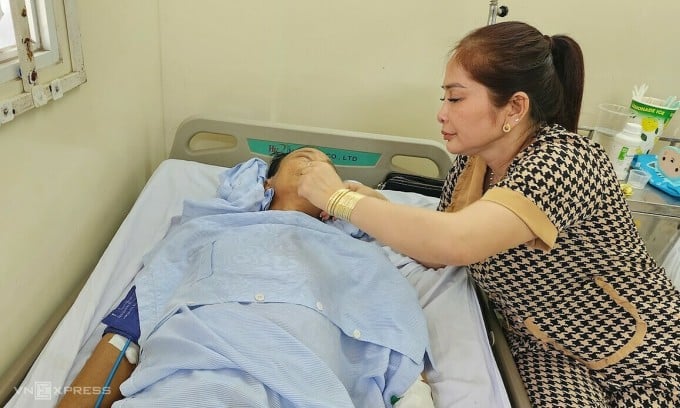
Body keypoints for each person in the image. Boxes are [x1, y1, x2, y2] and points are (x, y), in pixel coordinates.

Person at [297, 21, 680, 407]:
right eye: (444, 99)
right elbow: (438, 246)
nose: (441, 115)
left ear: (514, 106)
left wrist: (336, 199)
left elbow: (458, 241)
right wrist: (372, 206)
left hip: (645, 358)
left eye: (456, 99)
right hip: (546, 349)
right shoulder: (472, 164)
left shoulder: (564, 160)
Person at [57, 147, 432, 408]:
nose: (315, 162)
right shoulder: (209, 229)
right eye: (302, 158)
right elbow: (131, 326)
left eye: (326, 165)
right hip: (196, 374)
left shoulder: (357, 252)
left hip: (307, 376)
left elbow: (396, 335)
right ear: (267, 184)